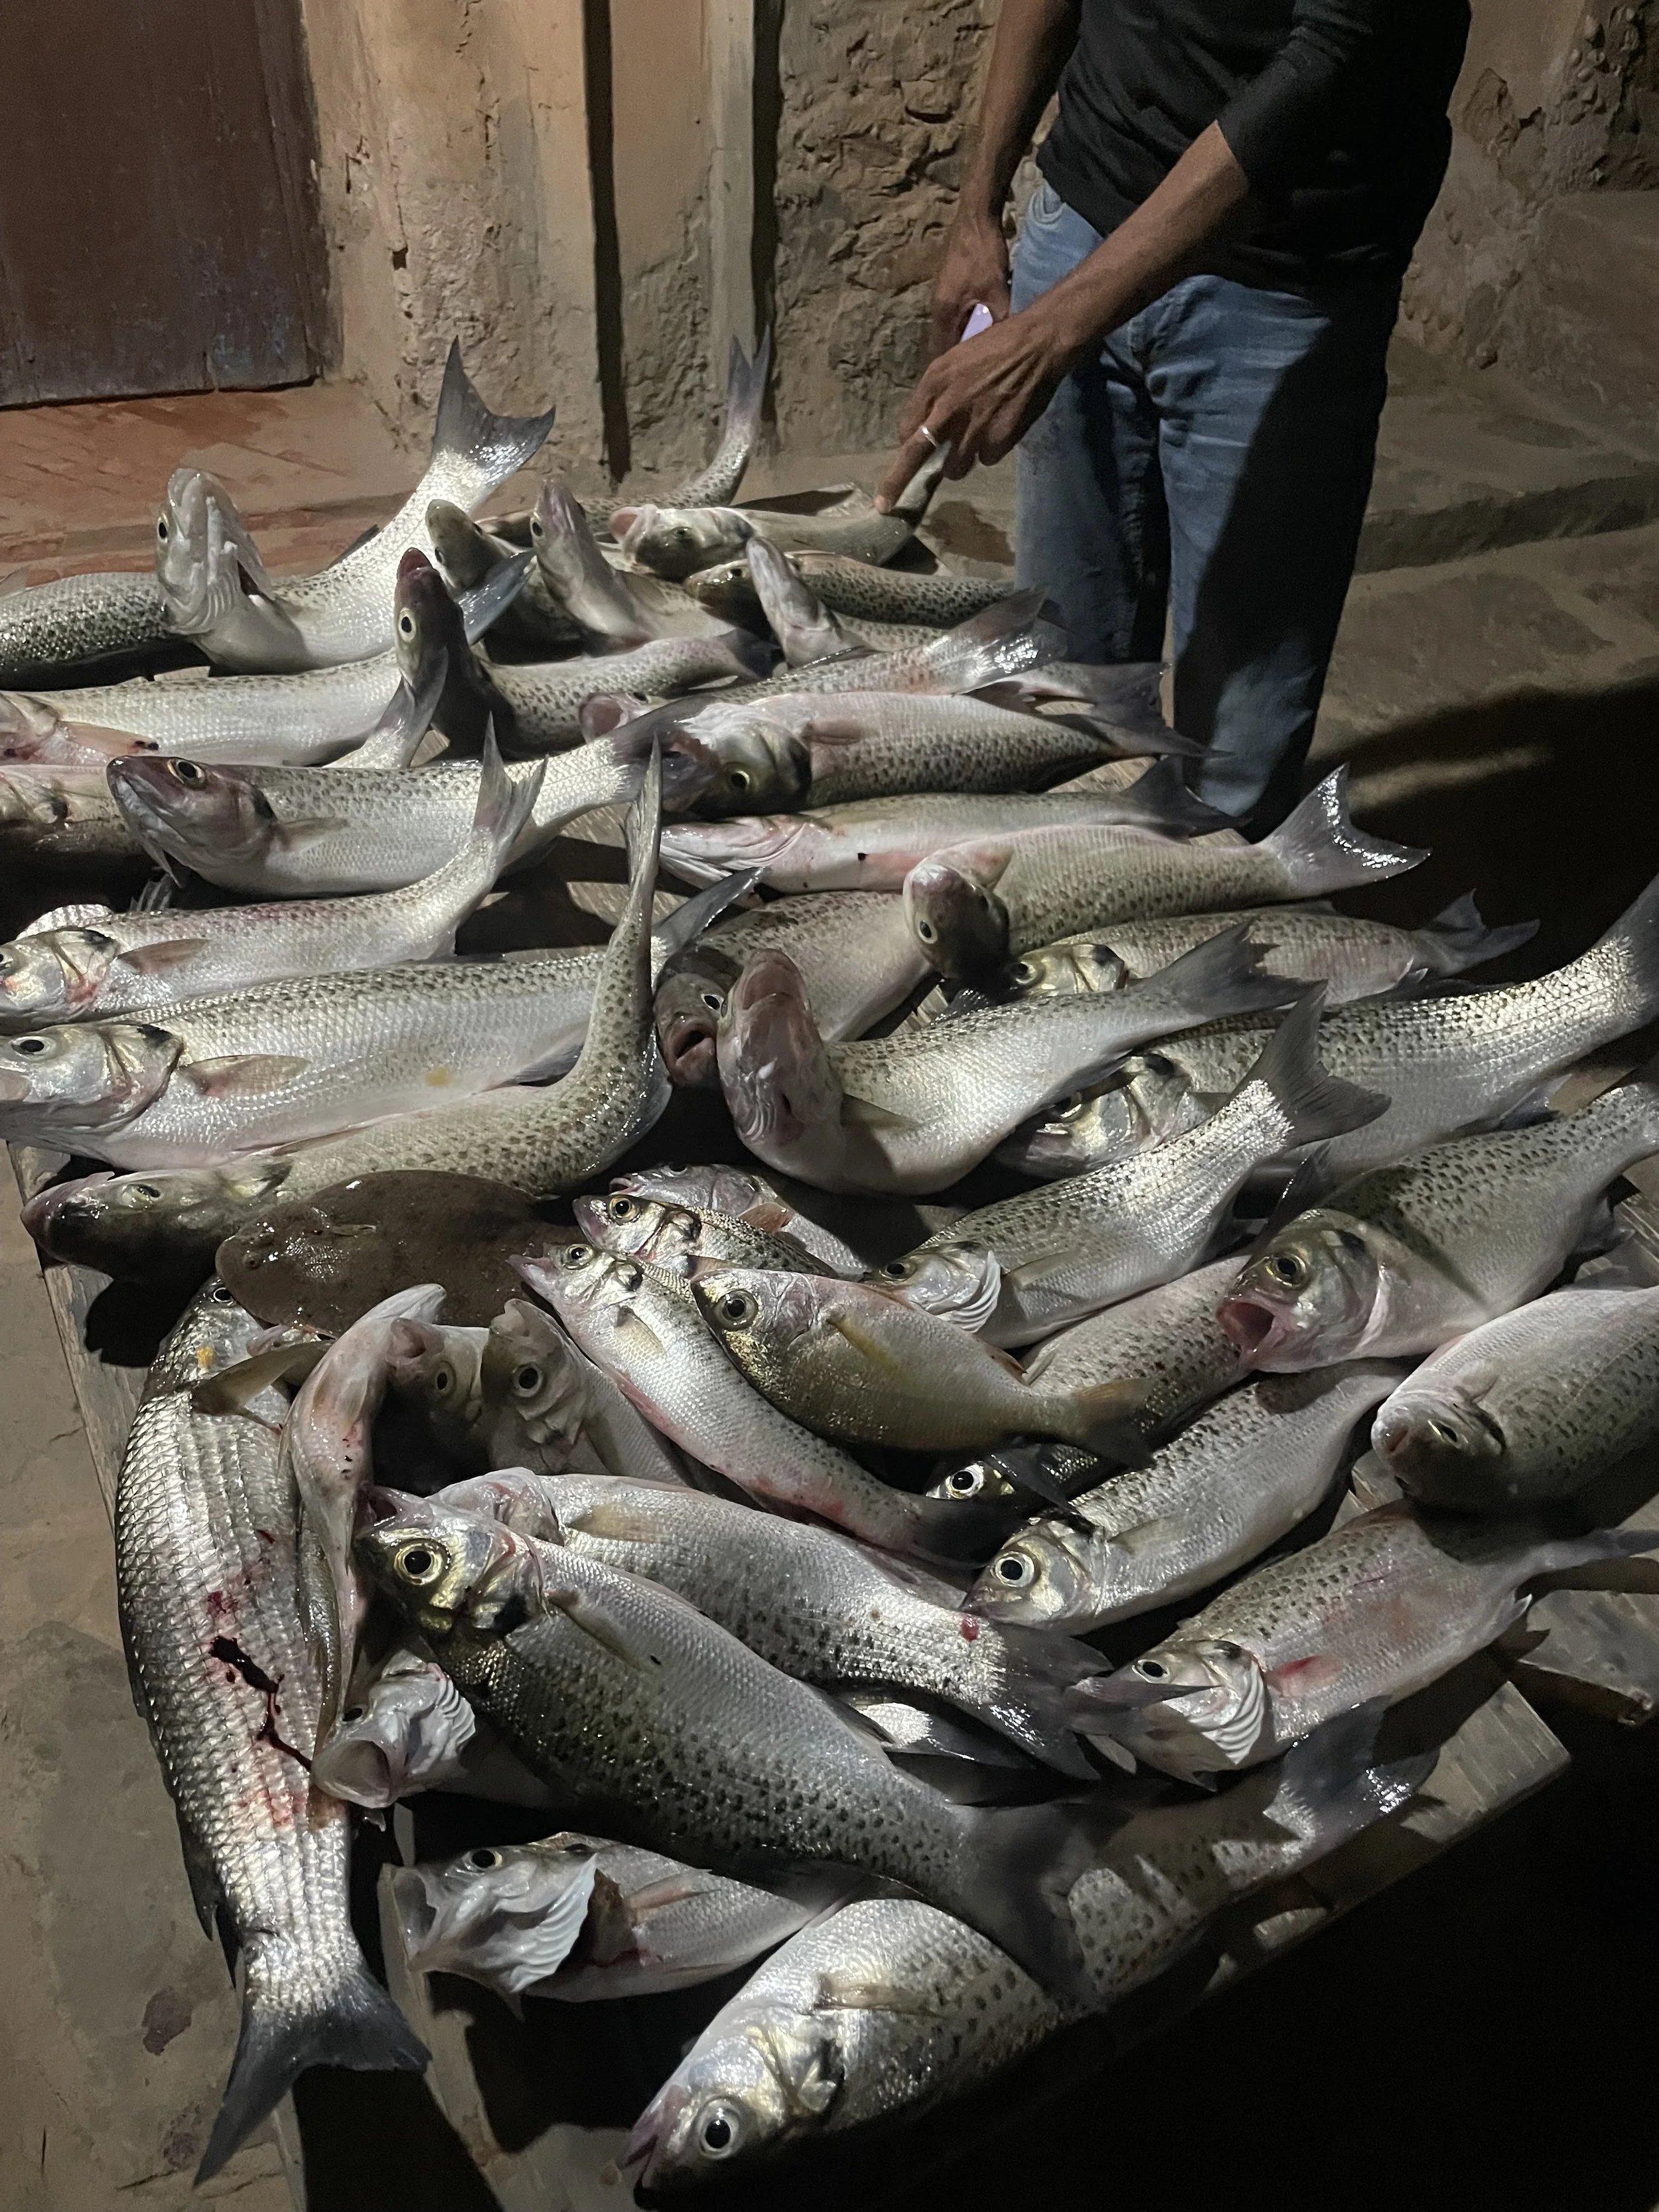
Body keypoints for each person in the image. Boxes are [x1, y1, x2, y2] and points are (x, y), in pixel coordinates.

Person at [874, 0, 1471, 828]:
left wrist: (1047, 335)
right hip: (1082, 211)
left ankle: (1201, 936)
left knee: (1235, 730)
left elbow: (1329, 59)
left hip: (1283, 279)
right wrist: (978, 203)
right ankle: (1070, 918)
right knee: (1060, 674)